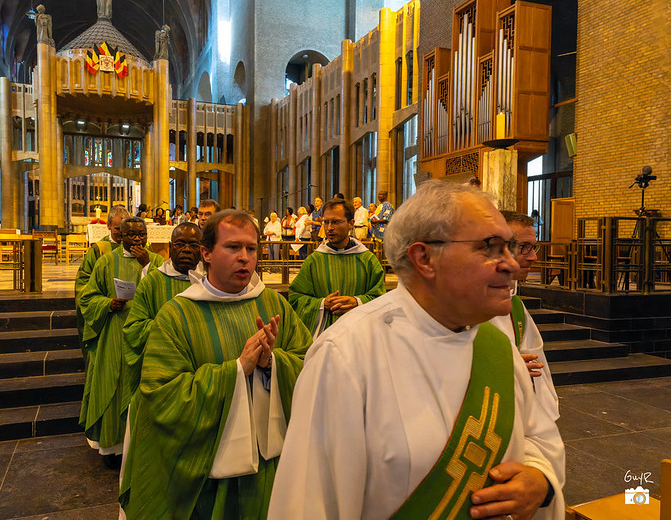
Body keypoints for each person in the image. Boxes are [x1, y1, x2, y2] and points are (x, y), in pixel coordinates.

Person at [269, 181, 565, 519]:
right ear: (424, 258)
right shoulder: (346, 355)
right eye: (490, 248)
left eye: (510, 248)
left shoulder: (498, 347)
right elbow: (309, 504)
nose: (512, 264)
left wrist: (540, 478)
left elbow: (538, 437)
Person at [118, 210, 312, 519]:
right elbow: (161, 393)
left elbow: (309, 365)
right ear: (206, 253)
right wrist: (236, 370)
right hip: (205, 473)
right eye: (233, 247)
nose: (244, 257)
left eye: (251, 248)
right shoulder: (176, 315)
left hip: (267, 468)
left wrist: (273, 364)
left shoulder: (274, 304)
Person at [78, 217, 164, 468]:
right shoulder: (106, 262)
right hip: (115, 332)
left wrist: (147, 265)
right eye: (131, 235)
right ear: (121, 236)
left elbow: (166, 292)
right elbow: (88, 297)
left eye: (141, 234)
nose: (137, 239)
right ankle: (113, 447)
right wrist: (108, 303)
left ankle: (142, 444)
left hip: (146, 334)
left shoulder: (157, 262)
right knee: (113, 385)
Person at [491, 211, 560, 423]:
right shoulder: (458, 308)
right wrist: (501, 366)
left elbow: (539, 371)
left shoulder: (516, 308)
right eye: (524, 247)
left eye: (533, 247)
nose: (533, 257)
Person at [122, 222, 203, 392]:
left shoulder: (210, 282)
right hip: (161, 372)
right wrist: (170, 327)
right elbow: (133, 329)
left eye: (193, 245)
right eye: (180, 244)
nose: (186, 250)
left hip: (201, 370)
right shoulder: (152, 282)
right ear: (171, 247)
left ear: (203, 250)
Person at [288, 199, 386, 337]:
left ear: (351, 223)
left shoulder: (368, 261)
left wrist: (357, 302)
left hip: (360, 338)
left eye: (335, 222)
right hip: (323, 339)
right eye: (326, 222)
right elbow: (295, 298)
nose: (329, 228)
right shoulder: (314, 261)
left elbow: (382, 300)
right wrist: (322, 304)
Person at [74, 205, 128, 348]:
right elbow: (83, 284)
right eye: (117, 228)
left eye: (125, 229)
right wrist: (105, 304)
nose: (122, 233)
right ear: (108, 226)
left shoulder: (137, 248)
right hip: (106, 313)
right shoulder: (99, 250)